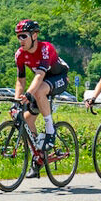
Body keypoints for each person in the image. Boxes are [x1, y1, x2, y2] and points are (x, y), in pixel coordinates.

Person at [12, 19, 70, 151]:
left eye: (23, 36)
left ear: (34, 36)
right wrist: (16, 101)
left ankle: (50, 131)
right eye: (18, 36)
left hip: (58, 77)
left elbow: (39, 75)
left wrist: (28, 94)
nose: (20, 40)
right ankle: (37, 155)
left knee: (38, 92)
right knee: (26, 119)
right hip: (41, 82)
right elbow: (21, 80)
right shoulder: (20, 54)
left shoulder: (45, 48)